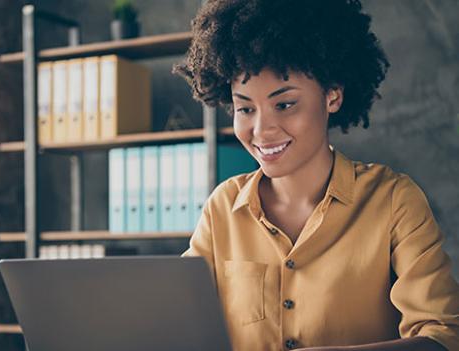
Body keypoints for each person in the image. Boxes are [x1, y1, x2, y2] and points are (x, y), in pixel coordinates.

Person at [172, 0, 459, 350]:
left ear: (332, 96)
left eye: (285, 104)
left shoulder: (395, 201)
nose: (261, 131)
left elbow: (440, 337)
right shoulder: (222, 208)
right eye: (245, 108)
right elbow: (178, 323)